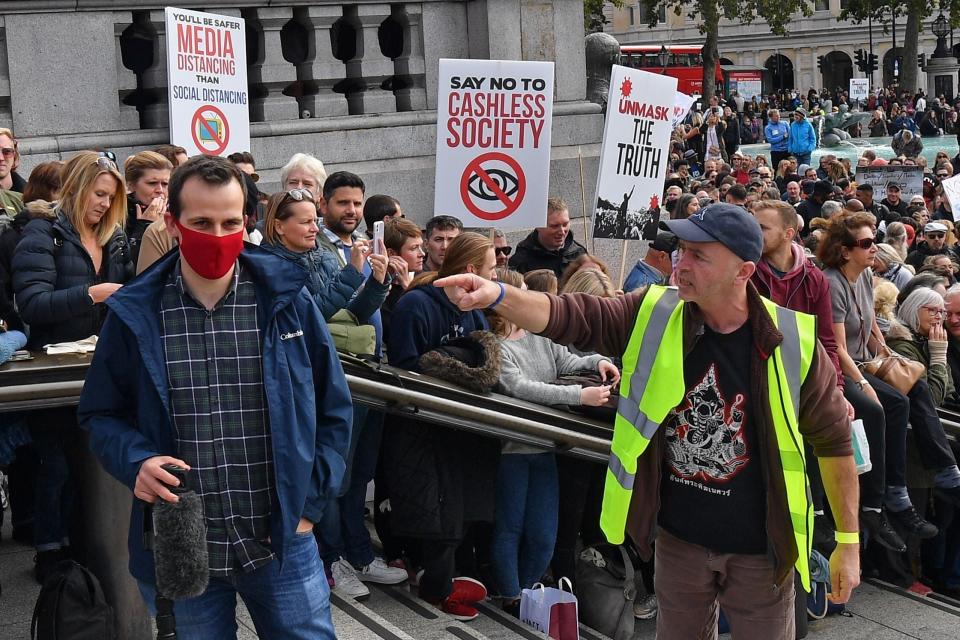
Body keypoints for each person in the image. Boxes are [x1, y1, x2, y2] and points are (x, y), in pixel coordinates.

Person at [436, 203, 861, 638]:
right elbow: (571, 315)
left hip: (760, 551)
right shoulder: (656, 311)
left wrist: (848, 542)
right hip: (678, 542)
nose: (682, 264)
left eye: (699, 255)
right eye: (682, 250)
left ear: (743, 271)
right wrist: (499, 296)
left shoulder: (794, 343)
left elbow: (835, 445)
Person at [77, 155, 351, 639]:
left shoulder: (286, 300)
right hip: (183, 545)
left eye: (230, 221)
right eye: (201, 222)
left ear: (246, 222)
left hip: (281, 535)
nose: (218, 234)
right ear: (171, 222)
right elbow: (100, 413)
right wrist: (136, 460)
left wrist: (309, 505)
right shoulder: (135, 312)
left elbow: (333, 406)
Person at [12, 151, 133, 581]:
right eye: (99, 194)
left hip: (100, 368)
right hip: (52, 373)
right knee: (57, 463)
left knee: (94, 462)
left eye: (111, 197)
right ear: (79, 187)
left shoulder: (115, 237)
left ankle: (86, 547)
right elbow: (31, 302)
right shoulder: (43, 233)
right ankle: (49, 551)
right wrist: (93, 294)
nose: (103, 203)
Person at [490, 268, 618, 616]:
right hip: (513, 451)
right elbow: (520, 388)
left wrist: (600, 360)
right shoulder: (495, 346)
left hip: (545, 448)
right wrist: (580, 395)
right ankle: (511, 594)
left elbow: (569, 360)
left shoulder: (538, 335)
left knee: (544, 534)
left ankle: (528, 589)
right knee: (510, 528)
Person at [385, 232, 499, 621]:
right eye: (490, 269)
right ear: (470, 272)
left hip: (460, 428)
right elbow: (404, 365)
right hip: (422, 425)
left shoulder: (475, 312)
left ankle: (446, 579)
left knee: (458, 508)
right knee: (431, 508)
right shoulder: (416, 305)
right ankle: (432, 581)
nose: (495, 275)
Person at [819, 212, 939, 542]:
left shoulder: (866, 277)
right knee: (883, 407)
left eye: (876, 241)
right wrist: (862, 385)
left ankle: (943, 471)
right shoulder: (832, 283)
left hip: (866, 361)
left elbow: (870, 328)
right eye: (867, 243)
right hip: (839, 368)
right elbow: (838, 347)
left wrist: (891, 356)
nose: (875, 248)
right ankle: (878, 502)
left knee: (917, 387)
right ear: (845, 250)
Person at [312, 171, 404, 598]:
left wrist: (381, 279)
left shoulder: (367, 246)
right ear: (324, 203)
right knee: (337, 473)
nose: (351, 211)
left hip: (372, 372)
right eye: (343, 203)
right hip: (338, 377)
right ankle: (332, 560)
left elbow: (363, 308)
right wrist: (354, 273)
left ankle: (359, 552)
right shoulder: (314, 249)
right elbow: (326, 311)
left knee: (360, 472)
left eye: (356, 203)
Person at [0, 160, 63, 333]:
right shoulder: (13, 235)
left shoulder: (72, 230)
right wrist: (16, 328)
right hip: (31, 331)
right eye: (64, 191)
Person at [510, 198, 587, 277]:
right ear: (538, 226)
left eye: (565, 224)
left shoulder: (579, 253)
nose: (562, 232)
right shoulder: (521, 260)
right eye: (555, 226)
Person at [124, 151, 172, 264]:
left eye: (165, 184)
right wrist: (144, 227)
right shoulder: (118, 214)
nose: (160, 190)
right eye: (152, 183)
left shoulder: (176, 211)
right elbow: (126, 268)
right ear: (131, 185)